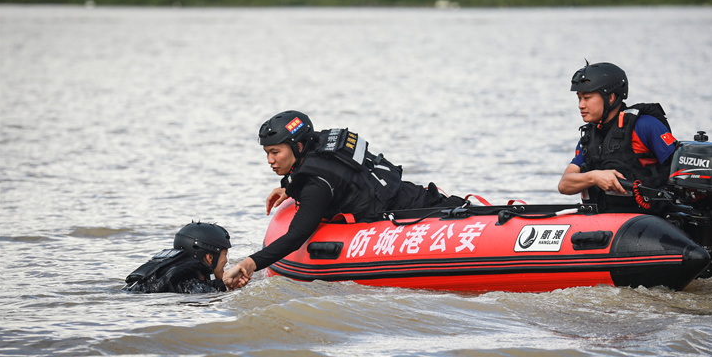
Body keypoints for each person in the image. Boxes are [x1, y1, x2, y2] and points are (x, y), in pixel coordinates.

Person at [223, 110, 465, 290]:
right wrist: (288, 188)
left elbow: (297, 236)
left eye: (275, 152)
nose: (270, 160)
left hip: (408, 210)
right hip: (409, 195)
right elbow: (329, 175)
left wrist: (250, 263)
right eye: (267, 153)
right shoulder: (318, 144)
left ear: (297, 147)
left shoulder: (315, 185)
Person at [557, 61, 677, 212]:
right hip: (602, 225)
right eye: (579, 98)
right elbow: (564, 185)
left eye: (587, 98)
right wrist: (595, 177)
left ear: (611, 97)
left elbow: (679, 172)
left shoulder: (645, 126)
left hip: (646, 222)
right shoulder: (588, 139)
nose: (581, 105)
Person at [123, 221, 231, 293]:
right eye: (225, 254)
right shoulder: (193, 287)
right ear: (210, 258)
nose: (226, 261)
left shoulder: (168, 277)